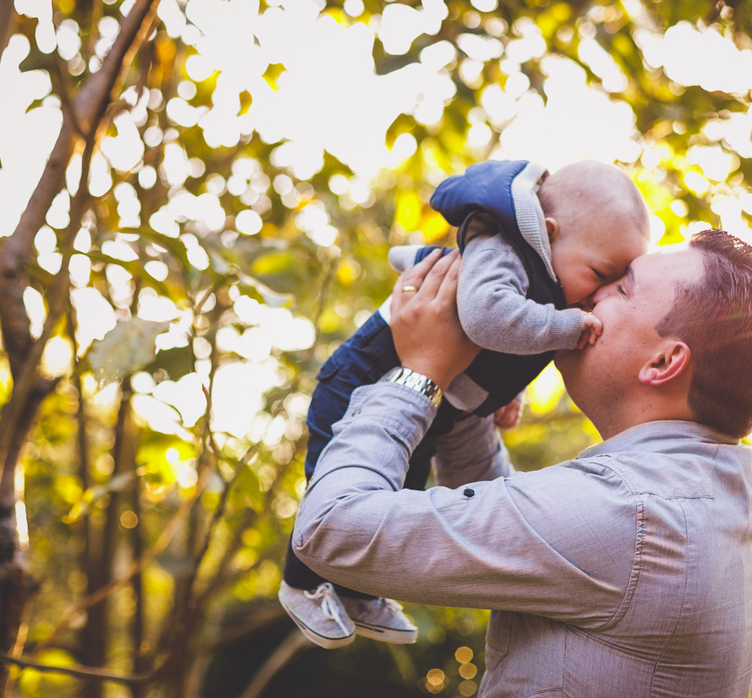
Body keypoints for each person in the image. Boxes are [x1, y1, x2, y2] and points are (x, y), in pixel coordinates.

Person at [292, 229, 752, 696]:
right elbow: (520, 531)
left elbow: (331, 527)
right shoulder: (718, 487)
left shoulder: (634, 515)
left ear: (663, 362)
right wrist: (472, 396)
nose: (588, 295)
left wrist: (418, 373)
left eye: (620, 288)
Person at [279, 159, 650, 649]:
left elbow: (500, 349)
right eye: (601, 273)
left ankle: (356, 590)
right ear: (550, 232)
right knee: (335, 478)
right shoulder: (503, 249)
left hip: (425, 404)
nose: (598, 294)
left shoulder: (550, 273)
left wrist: (505, 395)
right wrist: (566, 327)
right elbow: (484, 318)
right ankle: (300, 585)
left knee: (398, 493)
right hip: (362, 380)